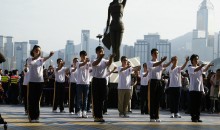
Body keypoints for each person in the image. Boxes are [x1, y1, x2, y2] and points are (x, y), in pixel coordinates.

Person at [27, 45, 54, 123]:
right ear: (33, 51)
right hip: (32, 82)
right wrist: (38, 56)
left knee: (37, 100)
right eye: (36, 50)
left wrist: (50, 55)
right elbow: (32, 61)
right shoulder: (29, 59)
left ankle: (36, 116)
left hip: (40, 82)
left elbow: (46, 58)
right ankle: (31, 117)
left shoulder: (41, 60)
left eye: (39, 50)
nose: (37, 51)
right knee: (32, 99)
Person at [147, 48, 172, 122]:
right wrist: (162, 61)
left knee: (157, 100)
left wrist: (170, 61)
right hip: (152, 81)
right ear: (152, 54)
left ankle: (157, 116)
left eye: (157, 53)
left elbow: (165, 65)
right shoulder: (149, 62)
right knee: (152, 100)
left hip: (159, 81)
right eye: (155, 53)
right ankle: (152, 116)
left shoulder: (160, 62)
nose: (156, 54)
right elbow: (155, 65)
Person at [92, 46, 115, 122]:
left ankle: (100, 115)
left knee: (102, 99)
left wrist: (111, 57)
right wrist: (100, 58)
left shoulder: (105, 60)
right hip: (95, 80)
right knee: (96, 99)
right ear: (97, 52)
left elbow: (109, 63)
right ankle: (96, 116)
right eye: (100, 51)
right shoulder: (94, 59)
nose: (101, 53)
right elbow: (96, 63)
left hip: (103, 80)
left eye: (102, 51)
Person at [188, 54, 213, 122]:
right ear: (192, 60)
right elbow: (195, 70)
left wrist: (208, 66)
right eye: (195, 59)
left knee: (199, 104)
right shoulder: (190, 68)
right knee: (193, 104)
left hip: (199, 89)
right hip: (193, 89)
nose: (196, 60)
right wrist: (201, 66)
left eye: (197, 59)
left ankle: (198, 117)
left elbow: (204, 70)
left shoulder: (200, 68)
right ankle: (193, 117)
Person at [76, 51, 91, 118]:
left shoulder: (88, 63)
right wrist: (86, 62)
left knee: (85, 98)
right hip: (79, 83)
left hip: (86, 83)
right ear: (81, 56)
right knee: (79, 98)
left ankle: (84, 111)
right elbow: (81, 65)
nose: (85, 56)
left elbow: (91, 69)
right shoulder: (78, 63)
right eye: (83, 55)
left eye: (85, 55)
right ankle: (79, 111)